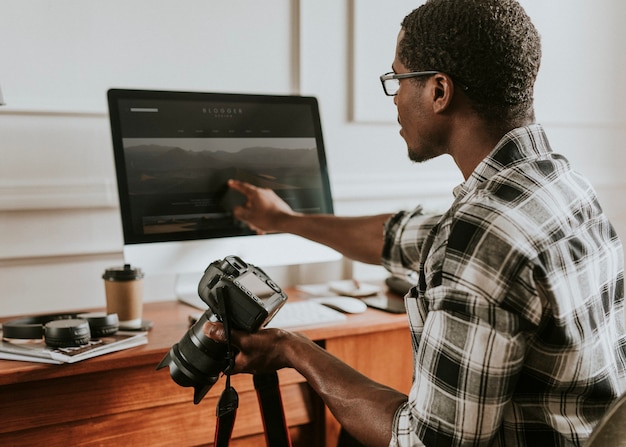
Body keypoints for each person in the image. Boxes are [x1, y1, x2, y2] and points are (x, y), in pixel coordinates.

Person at [203, 0, 626, 445]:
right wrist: (283, 219)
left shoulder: (482, 235)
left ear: (439, 91)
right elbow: (405, 237)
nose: (396, 99)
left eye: (398, 80)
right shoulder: (561, 187)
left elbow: (421, 442)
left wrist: (293, 349)